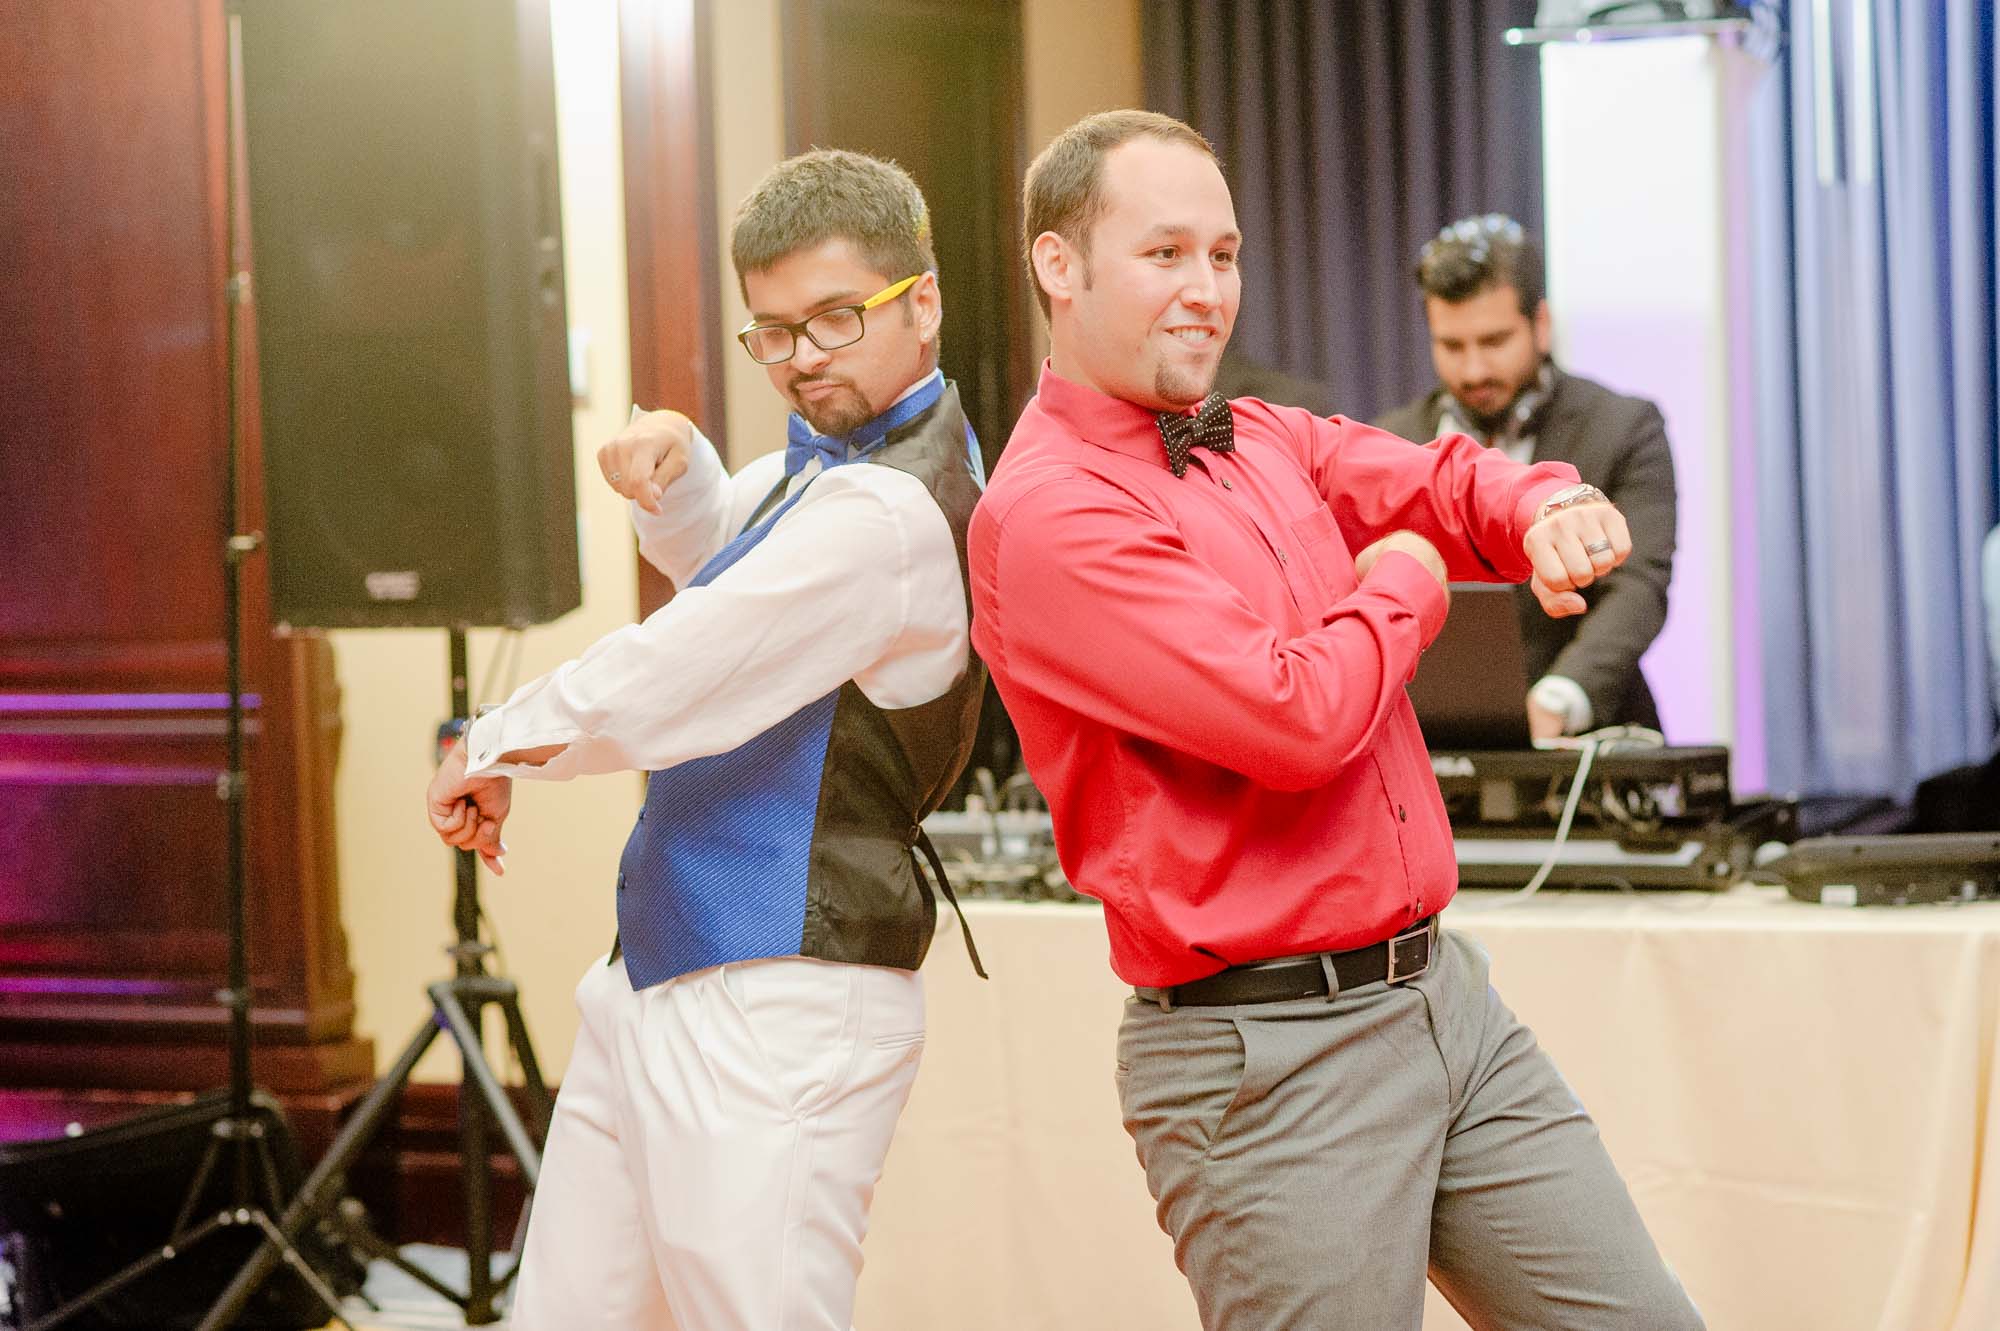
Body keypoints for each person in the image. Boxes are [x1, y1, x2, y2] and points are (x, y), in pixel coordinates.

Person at [969, 110, 1703, 1330]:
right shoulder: (1048, 516)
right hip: (1267, 1059)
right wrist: (1408, 580)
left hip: (1443, 1003)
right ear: (1058, 263)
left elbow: (1431, 474)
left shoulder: (1253, 434)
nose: (1206, 290)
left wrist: (1539, 502)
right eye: (1164, 255)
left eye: (1224, 253)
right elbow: (1293, 714)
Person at [424, 148, 986, 1331]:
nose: (800, 359)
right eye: (772, 334)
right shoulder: (837, 478)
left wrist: (495, 738)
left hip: (781, 993)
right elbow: (741, 557)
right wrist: (682, 473)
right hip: (665, 970)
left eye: (835, 318)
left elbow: (695, 662)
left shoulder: (888, 508)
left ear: (922, 299)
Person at [1376, 214, 1677, 740]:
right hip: (1426, 749)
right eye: (1451, 346)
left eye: (1494, 342)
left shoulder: (1625, 428)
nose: (1473, 371)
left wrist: (1558, 702)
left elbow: (1638, 588)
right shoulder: (1389, 441)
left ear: (1541, 324)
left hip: (1588, 741)